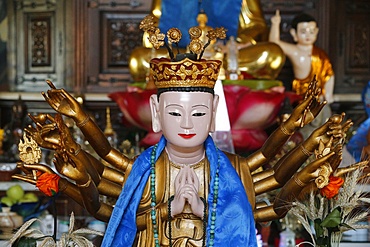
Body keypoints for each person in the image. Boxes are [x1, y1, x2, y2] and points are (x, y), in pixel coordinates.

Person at [14, 17, 350, 247]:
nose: (187, 123)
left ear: (214, 114)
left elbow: (274, 197)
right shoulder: (141, 171)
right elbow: (103, 202)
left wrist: (300, 142)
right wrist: (72, 155)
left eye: (199, 112)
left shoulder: (235, 170)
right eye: (175, 112)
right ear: (157, 116)